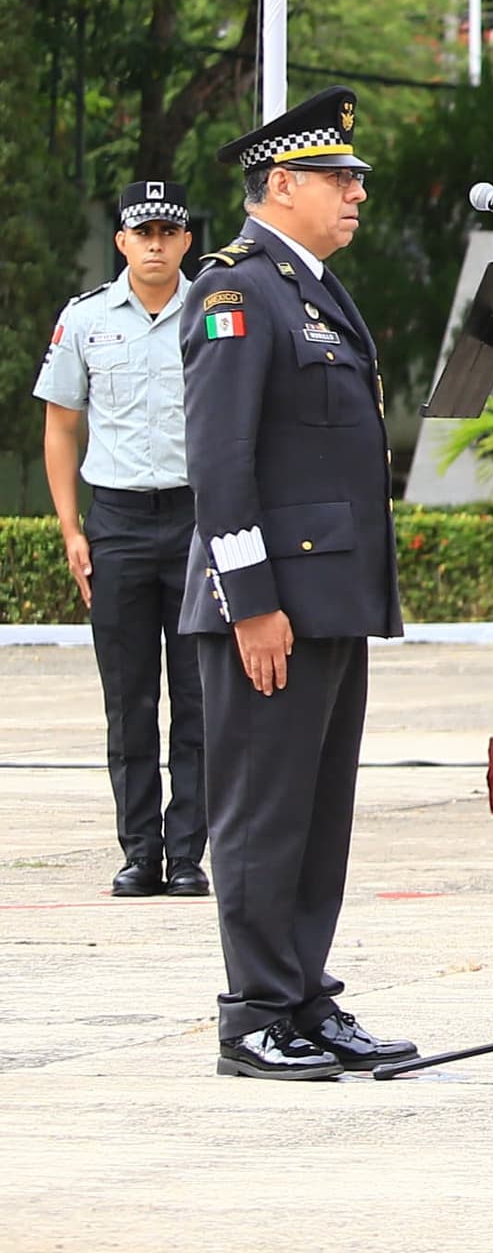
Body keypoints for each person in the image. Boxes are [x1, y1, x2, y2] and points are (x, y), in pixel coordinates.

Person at [177, 89, 419, 1079]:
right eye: (337, 177)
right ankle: (255, 1016)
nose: (355, 193)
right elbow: (222, 461)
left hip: (329, 600)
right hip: (269, 607)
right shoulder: (236, 290)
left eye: (356, 177)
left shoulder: (312, 287)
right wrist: (253, 601)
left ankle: (305, 997)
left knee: (317, 817)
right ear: (281, 184)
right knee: (261, 812)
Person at [39, 180, 211, 898]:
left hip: (197, 522)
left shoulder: (213, 311)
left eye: (168, 232)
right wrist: (71, 528)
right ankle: (140, 852)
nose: (155, 245)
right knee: (129, 700)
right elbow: (60, 425)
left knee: (198, 700)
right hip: (117, 525)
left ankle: (186, 857)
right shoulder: (85, 320)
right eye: (143, 232)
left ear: (185, 241)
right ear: (121, 241)